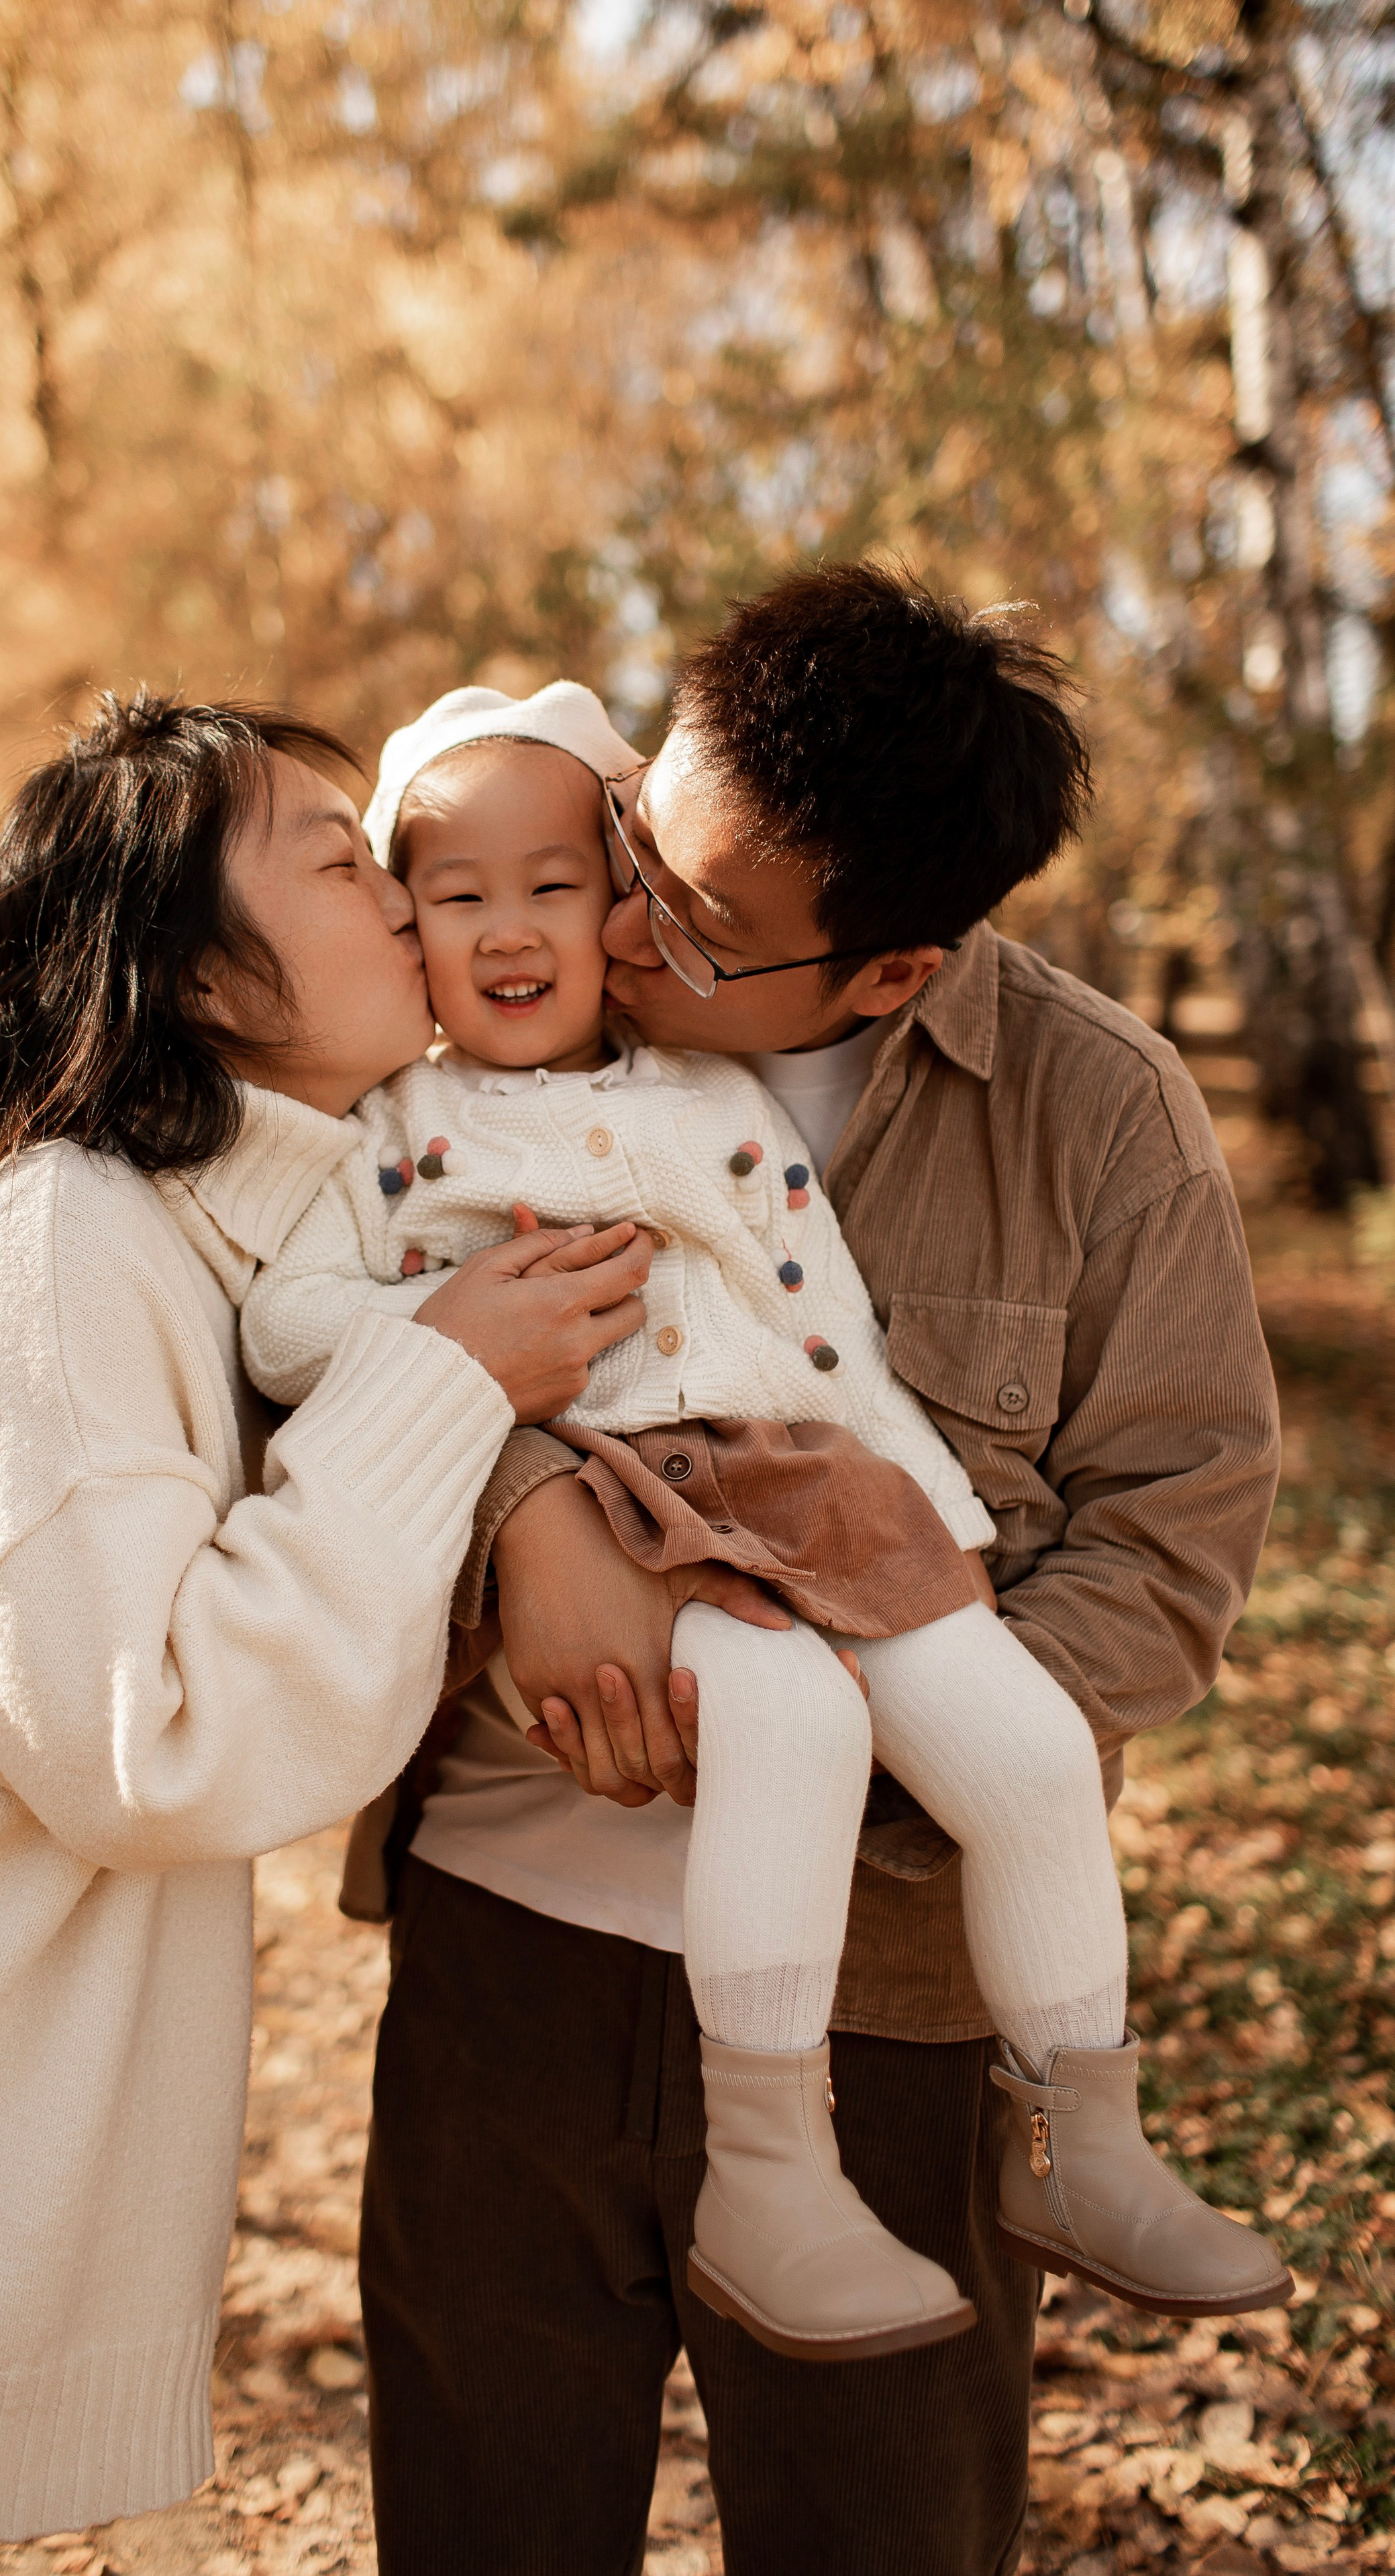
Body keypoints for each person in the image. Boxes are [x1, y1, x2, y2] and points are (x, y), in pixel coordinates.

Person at [349, 569, 1286, 2575]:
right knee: (482, 2513)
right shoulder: (430, 1047)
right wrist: (519, 1519)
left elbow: (1173, 1525)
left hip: (896, 1997)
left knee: (883, 2531)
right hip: (515, 1939)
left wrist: (870, 1742)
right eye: (631, 852)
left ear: (881, 975)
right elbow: (307, 1365)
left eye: (689, 925)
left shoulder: (1096, 1119)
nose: (608, 924)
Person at [0, 694, 654, 2575]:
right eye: (339, 858)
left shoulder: (212, 1257)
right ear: (202, 980)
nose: (403, 895)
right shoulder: (64, 1237)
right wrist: (447, 1389)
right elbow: (157, 1733)